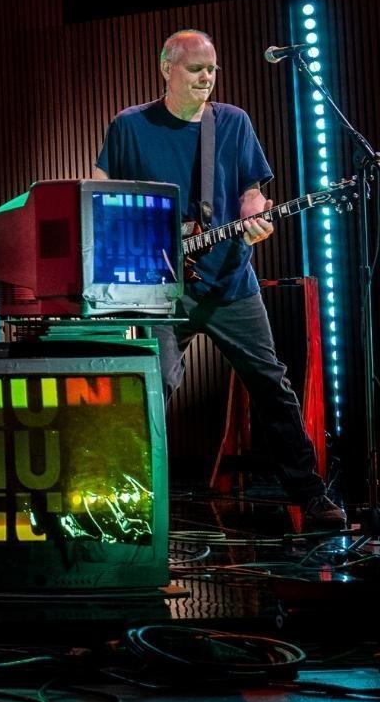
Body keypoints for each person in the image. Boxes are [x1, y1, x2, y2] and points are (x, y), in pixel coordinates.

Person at [94, 29, 343, 528]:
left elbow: (252, 193)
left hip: (229, 280)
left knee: (271, 385)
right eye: (196, 69)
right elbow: (101, 197)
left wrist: (258, 218)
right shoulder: (129, 126)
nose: (207, 77)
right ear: (167, 69)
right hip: (160, 289)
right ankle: (134, 500)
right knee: (153, 388)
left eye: (212, 69)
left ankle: (311, 494)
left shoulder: (231, 123)